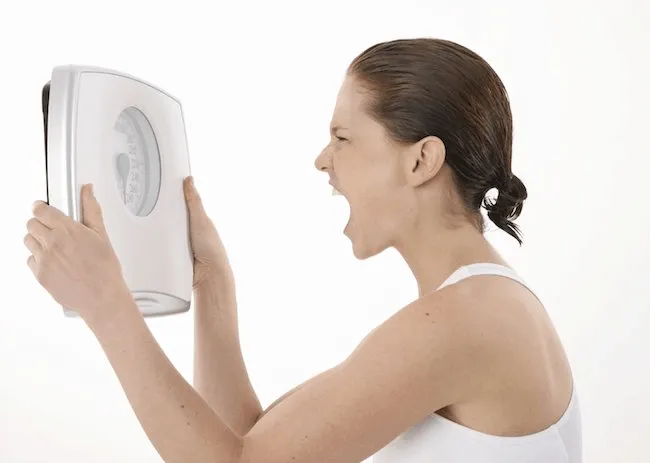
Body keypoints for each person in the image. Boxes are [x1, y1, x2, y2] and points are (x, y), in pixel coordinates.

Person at [23, 38, 581, 462]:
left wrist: (108, 307)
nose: (322, 159)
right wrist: (213, 286)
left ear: (421, 161)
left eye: (343, 138)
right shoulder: (477, 307)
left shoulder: (469, 319)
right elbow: (249, 441)